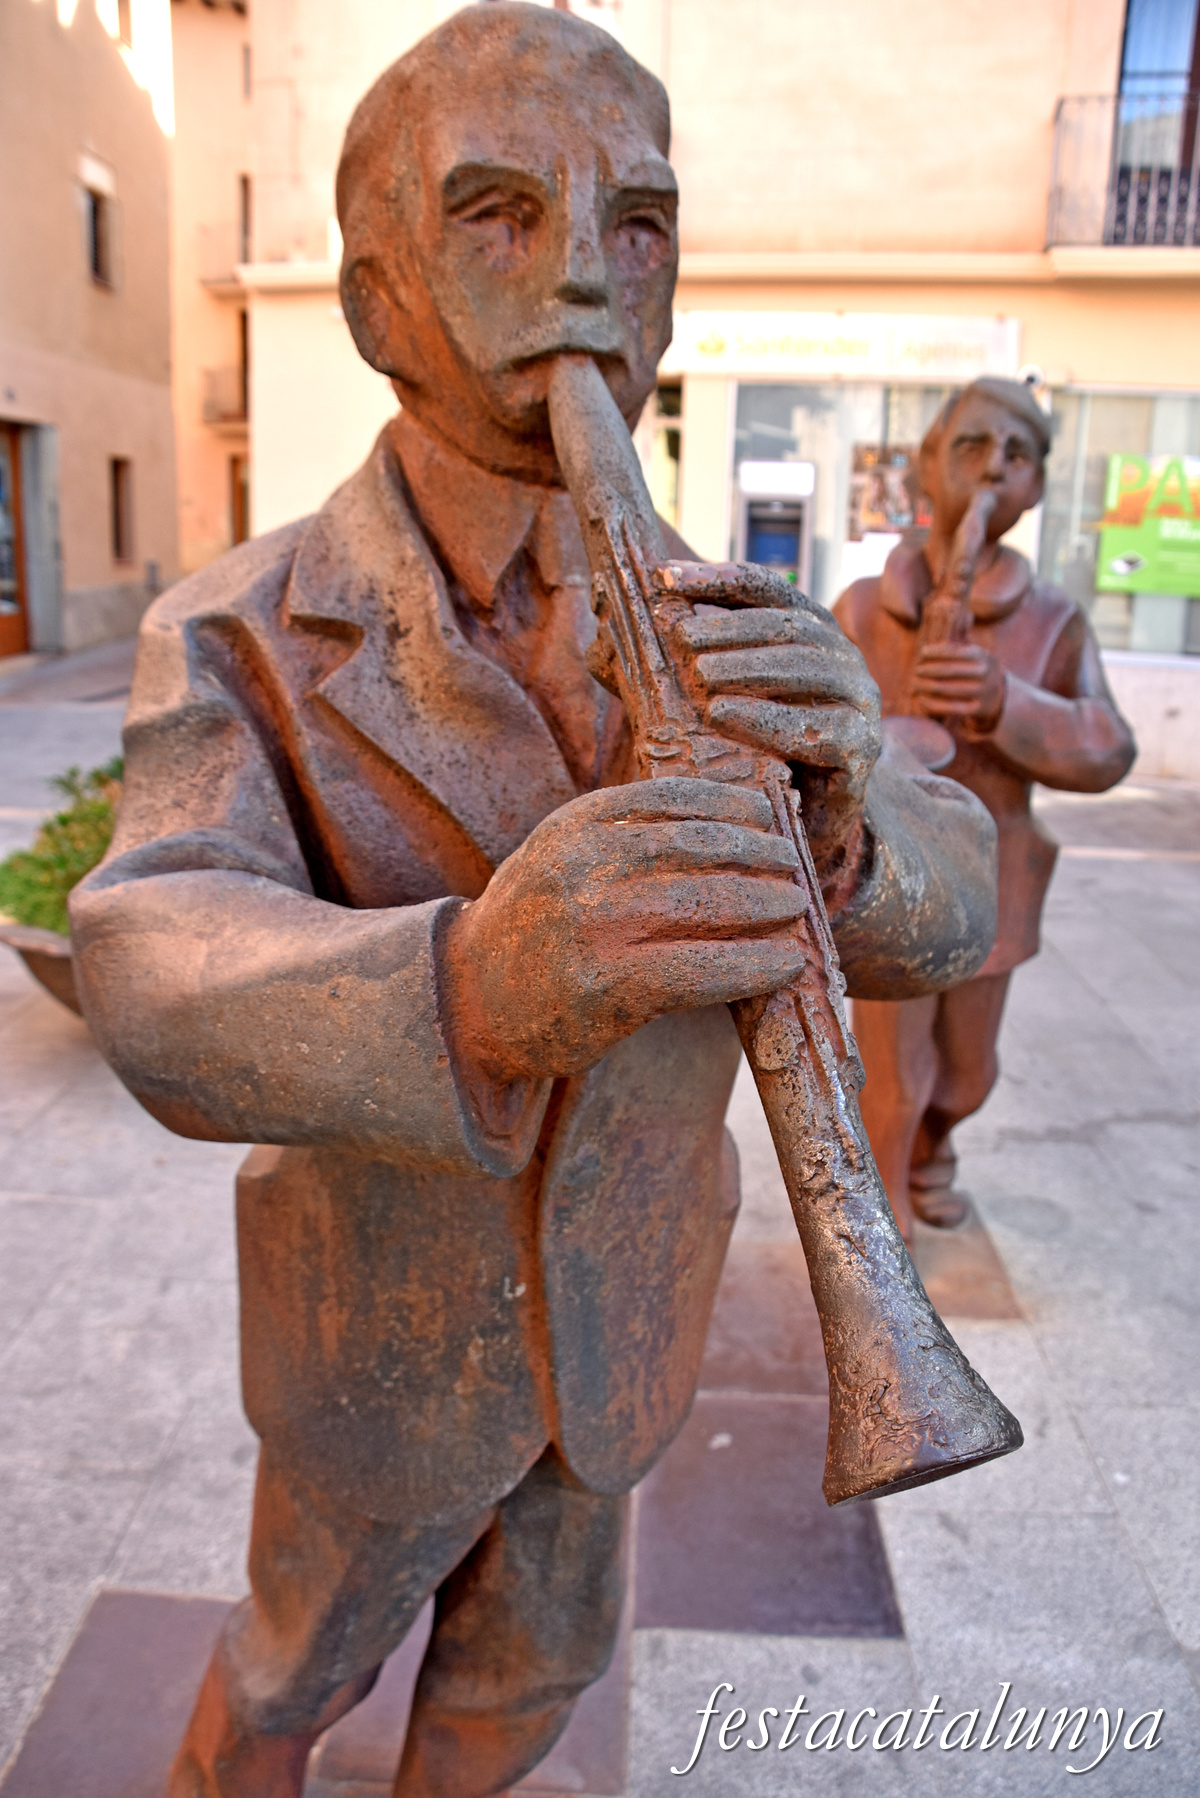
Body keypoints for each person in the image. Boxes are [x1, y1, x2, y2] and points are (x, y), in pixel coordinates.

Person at [70, 9, 999, 1795]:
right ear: (374, 299)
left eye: (636, 224)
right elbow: (147, 951)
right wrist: (478, 982)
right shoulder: (244, 622)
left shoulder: (726, 605)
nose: (584, 271)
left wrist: (852, 822)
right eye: (497, 212)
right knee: (290, 1665)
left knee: (532, 1676)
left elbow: (941, 889)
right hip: (377, 1340)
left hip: (629, 1308)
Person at [835, 377, 1135, 1238]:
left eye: (1018, 454)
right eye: (971, 446)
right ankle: (884, 1204)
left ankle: (934, 1146)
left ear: (1038, 485)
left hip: (994, 877)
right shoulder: (863, 606)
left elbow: (1109, 746)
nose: (994, 469)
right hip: (887, 873)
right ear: (928, 464)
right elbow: (814, 728)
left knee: (967, 1073)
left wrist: (1009, 704)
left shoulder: (1052, 619)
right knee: (891, 1069)